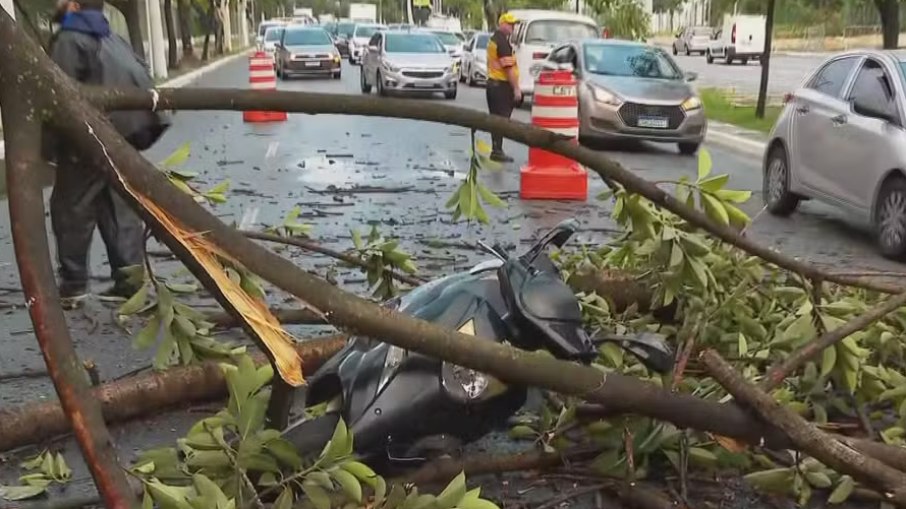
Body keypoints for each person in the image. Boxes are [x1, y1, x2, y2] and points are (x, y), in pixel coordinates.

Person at [46, 0, 146, 309]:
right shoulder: (112, 36)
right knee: (116, 207)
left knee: (70, 210)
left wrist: (48, 148)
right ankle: (131, 286)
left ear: (73, 5)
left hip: (84, 142)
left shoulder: (69, 37)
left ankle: (74, 286)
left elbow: (56, 98)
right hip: (120, 137)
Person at [485, 12, 522, 163]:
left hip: (493, 84)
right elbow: (508, 69)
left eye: (513, 24)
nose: (512, 27)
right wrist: (516, 89)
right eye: (509, 24)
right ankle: (497, 150)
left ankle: (496, 149)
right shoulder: (502, 42)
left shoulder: (495, 39)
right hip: (501, 86)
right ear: (502, 24)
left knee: (496, 120)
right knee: (501, 120)